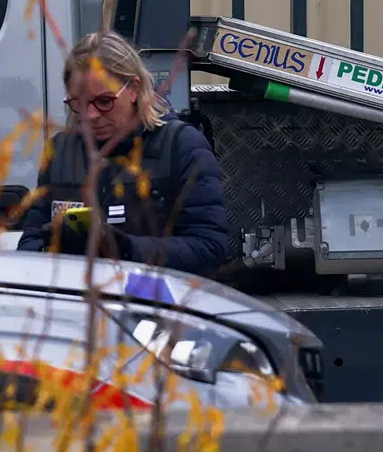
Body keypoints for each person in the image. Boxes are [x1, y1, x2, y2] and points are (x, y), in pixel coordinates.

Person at [15, 30, 231, 276]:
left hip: (153, 297)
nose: (91, 115)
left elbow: (209, 248)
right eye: (79, 103)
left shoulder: (182, 146)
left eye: (104, 101)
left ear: (134, 89)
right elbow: (29, 244)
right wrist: (54, 249)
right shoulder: (60, 152)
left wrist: (126, 249)